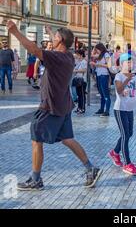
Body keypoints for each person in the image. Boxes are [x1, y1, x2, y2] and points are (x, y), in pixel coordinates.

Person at [5, 21, 102, 191]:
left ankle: (35, 179)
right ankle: (90, 168)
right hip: (63, 105)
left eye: (55, 37)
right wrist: (51, 32)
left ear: (61, 41)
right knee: (68, 139)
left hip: (50, 106)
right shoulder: (68, 56)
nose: (52, 39)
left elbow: (34, 50)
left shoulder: (55, 57)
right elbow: (58, 45)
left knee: (36, 139)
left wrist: (15, 32)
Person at [108, 53, 136, 176]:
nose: (130, 64)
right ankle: (127, 164)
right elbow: (119, 90)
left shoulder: (134, 77)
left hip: (130, 109)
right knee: (125, 135)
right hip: (120, 109)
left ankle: (115, 152)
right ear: (122, 64)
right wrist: (127, 79)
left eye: (131, 62)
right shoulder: (118, 76)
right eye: (128, 62)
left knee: (129, 133)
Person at [90, 43, 112, 117]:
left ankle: (107, 111)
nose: (97, 51)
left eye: (97, 49)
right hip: (99, 75)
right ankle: (101, 109)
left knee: (105, 94)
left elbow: (109, 65)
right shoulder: (100, 55)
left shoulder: (106, 55)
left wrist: (97, 65)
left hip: (104, 75)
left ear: (101, 48)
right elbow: (91, 55)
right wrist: (94, 49)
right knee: (101, 94)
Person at [72, 50, 87, 114]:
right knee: (79, 95)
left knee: (82, 95)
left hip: (82, 80)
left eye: (77, 55)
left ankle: (82, 108)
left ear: (81, 55)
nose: (76, 56)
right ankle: (79, 108)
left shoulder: (84, 62)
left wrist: (75, 71)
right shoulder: (79, 62)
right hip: (78, 79)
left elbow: (84, 70)